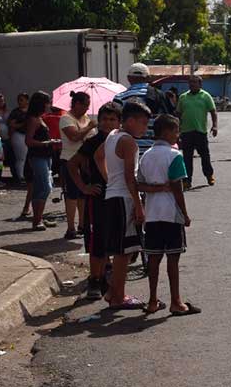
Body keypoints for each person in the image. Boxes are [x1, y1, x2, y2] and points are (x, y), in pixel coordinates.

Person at [95, 101, 159, 310]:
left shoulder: (113, 135)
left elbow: (98, 157)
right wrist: (139, 205)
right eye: (142, 123)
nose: (144, 128)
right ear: (130, 121)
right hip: (124, 199)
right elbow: (130, 177)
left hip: (113, 196)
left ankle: (114, 291)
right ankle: (118, 297)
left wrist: (109, 180)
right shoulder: (128, 141)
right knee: (124, 251)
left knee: (122, 250)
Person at [139, 114, 199, 316]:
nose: (178, 134)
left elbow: (138, 183)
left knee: (153, 259)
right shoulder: (175, 155)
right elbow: (177, 187)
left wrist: (154, 189)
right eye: (176, 130)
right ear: (166, 132)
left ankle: (153, 300)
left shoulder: (146, 155)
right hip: (171, 213)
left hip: (152, 214)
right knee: (173, 259)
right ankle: (176, 301)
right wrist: (185, 213)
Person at [66, 102, 121, 301]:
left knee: (114, 239)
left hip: (118, 197)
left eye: (113, 119)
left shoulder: (122, 141)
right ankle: (94, 280)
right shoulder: (92, 142)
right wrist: (83, 187)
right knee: (97, 241)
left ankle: (109, 275)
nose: (108, 123)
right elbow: (72, 165)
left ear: (119, 122)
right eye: (104, 119)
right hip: (97, 198)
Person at [111, 62, 172, 156]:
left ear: (129, 78)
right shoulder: (159, 95)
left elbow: (115, 127)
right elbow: (169, 121)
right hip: (155, 151)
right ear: (148, 78)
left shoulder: (119, 98)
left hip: (129, 151)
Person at [59, 92, 97, 240]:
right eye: (85, 105)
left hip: (85, 161)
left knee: (84, 194)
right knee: (71, 195)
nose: (87, 109)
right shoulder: (66, 118)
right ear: (77, 104)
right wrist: (88, 128)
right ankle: (71, 228)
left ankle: (82, 224)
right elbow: (74, 136)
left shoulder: (86, 119)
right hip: (70, 160)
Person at [176, 75, 218, 188]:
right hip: (186, 132)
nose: (192, 84)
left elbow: (213, 112)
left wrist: (215, 126)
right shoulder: (183, 97)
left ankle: (209, 175)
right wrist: (177, 130)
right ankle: (187, 180)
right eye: (190, 82)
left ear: (200, 84)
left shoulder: (206, 96)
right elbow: (178, 114)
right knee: (187, 158)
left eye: (194, 82)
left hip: (200, 131)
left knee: (205, 156)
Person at [24, 91, 57, 231]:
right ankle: (37, 220)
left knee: (42, 186)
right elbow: (29, 141)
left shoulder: (39, 117)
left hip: (45, 156)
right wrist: (45, 143)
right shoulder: (33, 119)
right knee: (44, 187)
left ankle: (39, 217)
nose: (49, 105)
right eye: (47, 102)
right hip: (37, 156)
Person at [8, 92, 29, 186]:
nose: (19, 102)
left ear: (27, 100)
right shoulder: (16, 112)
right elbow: (12, 124)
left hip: (29, 135)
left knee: (29, 157)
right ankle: (21, 176)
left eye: (22, 100)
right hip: (19, 135)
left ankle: (28, 175)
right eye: (19, 100)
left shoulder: (31, 111)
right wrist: (22, 124)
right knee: (21, 157)